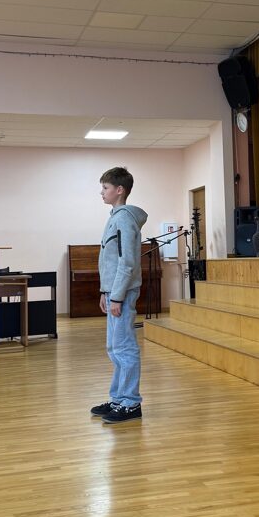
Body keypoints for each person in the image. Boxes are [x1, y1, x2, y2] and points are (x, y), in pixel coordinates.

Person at [91, 167, 148, 424]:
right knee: (114, 348)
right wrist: (105, 292)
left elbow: (127, 262)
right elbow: (110, 260)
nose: (101, 192)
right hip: (114, 291)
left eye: (105, 188)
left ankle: (131, 403)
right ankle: (118, 398)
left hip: (122, 293)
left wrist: (117, 296)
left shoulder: (125, 218)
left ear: (119, 190)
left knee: (124, 348)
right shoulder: (115, 217)